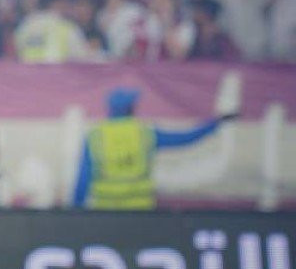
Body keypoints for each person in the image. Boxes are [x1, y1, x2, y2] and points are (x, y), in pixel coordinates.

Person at [72, 87, 236, 210]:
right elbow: (185, 138)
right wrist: (214, 124)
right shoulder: (145, 134)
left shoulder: (95, 137)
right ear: (131, 109)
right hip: (140, 210)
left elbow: (83, 177)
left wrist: (76, 210)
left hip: (106, 210)